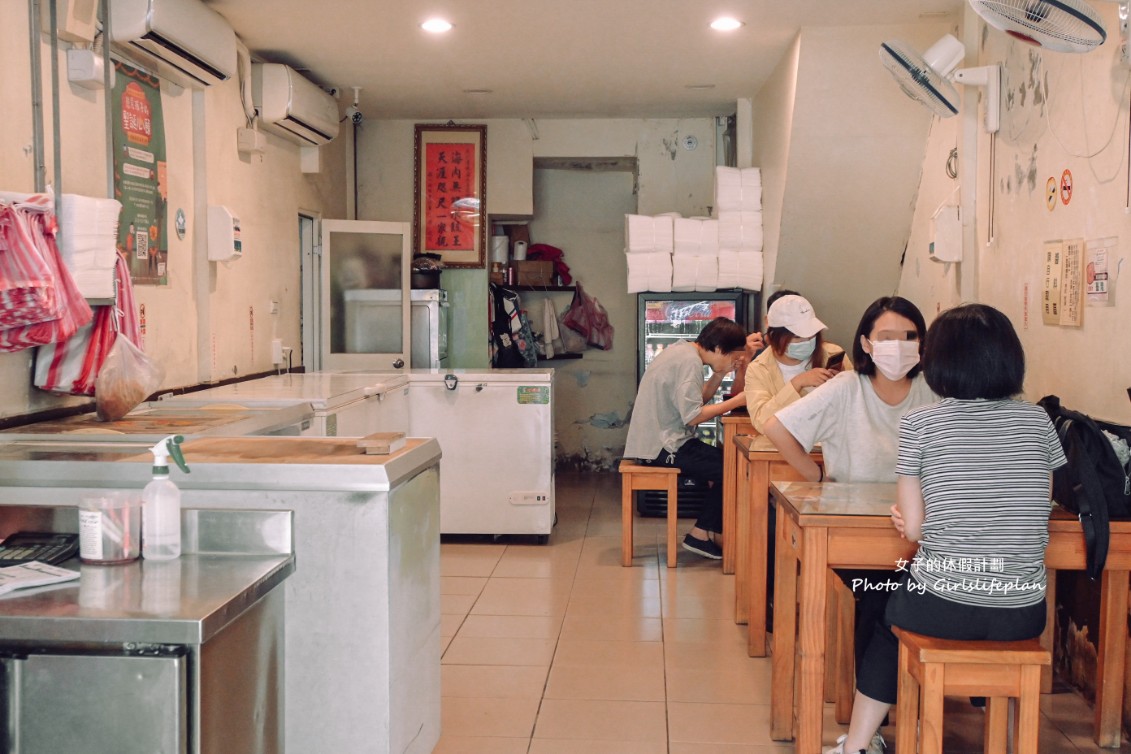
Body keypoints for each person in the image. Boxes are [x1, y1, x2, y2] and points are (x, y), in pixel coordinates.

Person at [825, 303, 1067, 754]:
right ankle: (1013, 738)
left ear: (936, 362)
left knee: (885, 620)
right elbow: (1043, 503)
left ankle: (855, 746)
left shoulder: (921, 424)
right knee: (963, 614)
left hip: (942, 602)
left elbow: (914, 529)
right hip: (1023, 609)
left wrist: (910, 519)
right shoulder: (1038, 421)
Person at [764, 295, 937, 754]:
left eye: (910, 337)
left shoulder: (934, 392)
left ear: (923, 345)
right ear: (866, 342)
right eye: (886, 337)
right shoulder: (846, 388)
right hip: (854, 536)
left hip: (917, 538)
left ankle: (896, 715)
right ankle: (877, 726)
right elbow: (778, 427)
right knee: (882, 597)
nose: (898, 347)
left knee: (907, 594)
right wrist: (816, 476)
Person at [623, 316, 749, 559]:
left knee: (727, 463)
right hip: (661, 447)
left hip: (660, 442)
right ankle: (700, 535)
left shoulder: (683, 351)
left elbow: (694, 402)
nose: (734, 361)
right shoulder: (689, 362)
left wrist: (720, 375)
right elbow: (693, 416)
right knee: (732, 467)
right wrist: (738, 401)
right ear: (719, 349)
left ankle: (707, 532)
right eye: (733, 357)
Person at [743, 293, 851, 433]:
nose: (806, 341)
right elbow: (761, 421)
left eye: (811, 334)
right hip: (782, 450)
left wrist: (844, 383)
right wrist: (797, 383)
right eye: (797, 337)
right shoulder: (758, 369)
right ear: (774, 336)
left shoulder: (833, 354)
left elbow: (857, 407)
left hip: (830, 446)